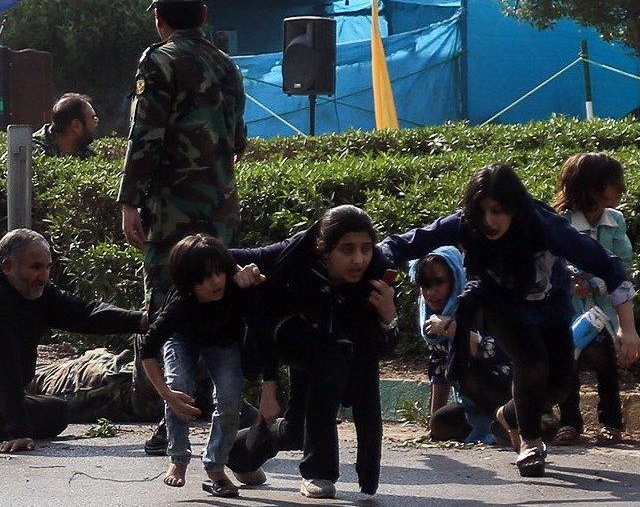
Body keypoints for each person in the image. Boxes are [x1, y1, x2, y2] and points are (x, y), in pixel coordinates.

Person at [378, 163, 638, 477]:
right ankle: (530, 442)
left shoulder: (544, 225)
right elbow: (404, 243)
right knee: (531, 363)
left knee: (558, 383)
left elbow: (609, 267)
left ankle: (510, 416)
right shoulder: (463, 224)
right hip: (500, 306)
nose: (489, 222)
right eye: (482, 211)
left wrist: (628, 328)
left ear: (515, 207)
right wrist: (376, 260)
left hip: (550, 308)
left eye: (499, 211)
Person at [117, 0, 247, 433]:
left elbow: (145, 137)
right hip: (220, 210)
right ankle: (220, 407)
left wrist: (129, 200)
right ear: (204, 14)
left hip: (171, 213)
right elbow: (238, 139)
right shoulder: (226, 65)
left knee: (165, 305)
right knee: (216, 300)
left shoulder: (159, 62)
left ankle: (166, 413)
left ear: (159, 18)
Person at [0, 229, 146, 450]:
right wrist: (19, 430)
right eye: (35, 267)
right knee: (57, 412)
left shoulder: (31, 288)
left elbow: (84, 314)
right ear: (7, 266)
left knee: (49, 406)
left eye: (47, 267)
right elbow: (3, 366)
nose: (43, 276)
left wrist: (142, 321)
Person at [226, 205, 398, 499]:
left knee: (296, 429)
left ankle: (239, 453)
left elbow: (384, 349)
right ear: (324, 247)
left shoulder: (378, 271)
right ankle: (319, 471)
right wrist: (238, 274)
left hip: (344, 352)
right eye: (347, 250)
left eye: (365, 249)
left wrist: (388, 317)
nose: (359, 259)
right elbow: (219, 256)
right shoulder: (294, 254)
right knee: (327, 360)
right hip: (293, 338)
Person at [139, 234, 277, 498]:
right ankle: (178, 459)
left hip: (222, 343)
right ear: (189, 284)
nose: (216, 282)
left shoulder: (237, 290)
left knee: (229, 401)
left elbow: (265, 336)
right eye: (204, 278)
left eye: (218, 273)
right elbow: (147, 352)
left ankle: (215, 465)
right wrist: (167, 396)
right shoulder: (179, 307)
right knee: (179, 386)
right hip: (182, 339)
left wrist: (268, 392)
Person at [552, 153, 634, 445]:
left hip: (605, 311)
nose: (619, 191)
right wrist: (571, 279)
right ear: (591, 187)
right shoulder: (560, 222)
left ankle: (611, 422)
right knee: (567, 362)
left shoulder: (616, 221)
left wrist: (595, 281)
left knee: (606, 361)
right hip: (569, 311)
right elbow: (553, 263)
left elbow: (622, 263)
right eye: (613, 185)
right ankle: (570, 422)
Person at [409, 247, 512, 444]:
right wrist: (433, 424)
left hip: (506, 389)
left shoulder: (479, 305)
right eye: (425, 285)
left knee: (463, 374)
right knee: (440, 424)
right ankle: (494, 428)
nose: (431, 293)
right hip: (472, 404)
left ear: (455, 278)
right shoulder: (433, 319)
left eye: (439, 282)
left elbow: (487, 349)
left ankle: (517, 422)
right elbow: (440, 370)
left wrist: (450, 327)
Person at [32, 93, 97, 158]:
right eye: (93, 118)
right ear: (76, 126)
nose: (96, 123)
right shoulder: (34, 152)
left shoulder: (85, 150)